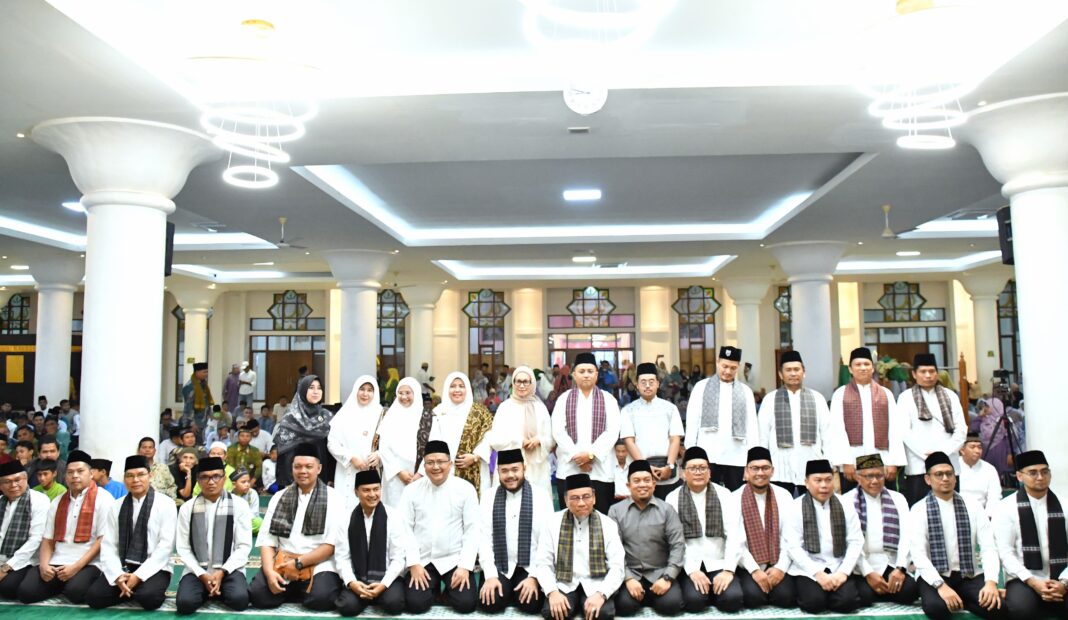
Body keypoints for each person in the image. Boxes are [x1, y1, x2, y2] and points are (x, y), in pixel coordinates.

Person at [250, 442, 345, 611]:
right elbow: (267, 541)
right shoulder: (279, 497)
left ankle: (299, 588)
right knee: (258, 596)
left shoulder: (335, 498)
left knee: (321, 600)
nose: (303, 471)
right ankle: (295, 588)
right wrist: (270, 573)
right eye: (298, 467)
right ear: (292, 468)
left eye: (309, 466)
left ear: (319, 469)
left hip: (319, 564)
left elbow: (331, 546)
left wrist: (298, 564)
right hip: (283, 562)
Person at [910, 451, 1004, 620]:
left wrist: (991, 582)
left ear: (955, 477)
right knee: (937, 608)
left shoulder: (973, 505)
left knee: (997, 608)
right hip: (934, 576)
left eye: (949, 474)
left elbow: (988, 547)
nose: (945, 478)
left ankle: (965, 597)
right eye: (939, 474)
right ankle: (962, 598)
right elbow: (919, 556)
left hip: (968, 575)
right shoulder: (918, 510)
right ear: (928, 479)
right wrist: (941, 586)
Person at [18, 450, 116, 605]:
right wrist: (44, 565)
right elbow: (48, 539)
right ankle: (62, 583)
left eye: (80, 471)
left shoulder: (104, 499)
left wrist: (75, 567)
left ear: (91, 474)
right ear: (65, 476)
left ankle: (69, 583)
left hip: (88, 563)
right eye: (70, 472)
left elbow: (101, 540)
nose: (75, 476)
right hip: (57, 561)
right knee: (26, 592)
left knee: (75, 592)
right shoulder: (57, 501)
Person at [652, 447, 741, 614]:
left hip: (719, 562)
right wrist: (692, 570)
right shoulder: (672, 498)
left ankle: (715, 590)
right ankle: (707, 591)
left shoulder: (724, 494)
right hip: (689, 564)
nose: (698, 472)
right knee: (695, 602)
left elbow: (735, 535)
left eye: (702, 468)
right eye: (693, 468)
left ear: (710, 472)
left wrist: (728, 570)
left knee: (733, 600)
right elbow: (674, 541)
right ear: (683, 473)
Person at [399, 440, 480, 614]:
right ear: (424, 466)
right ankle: (433, 590)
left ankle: (445, 592)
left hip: (454, 560)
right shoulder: (411, 490)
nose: (436, 467)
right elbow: (405, 529)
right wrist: (413, 564)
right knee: (415, 604)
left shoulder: (465, 489)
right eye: (430, 462)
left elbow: (472, 530)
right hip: (423, 560)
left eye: (441, 462)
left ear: (450, 464)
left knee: (466, 603)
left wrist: (465, 566)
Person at [86, 455, 176, 610]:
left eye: (141, 474)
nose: (135, 480)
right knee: (94, 597)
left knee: (149, 598)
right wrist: (117, 575)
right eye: (130, 476)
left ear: (150, 476)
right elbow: (109, 545)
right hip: (124, 566)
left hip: (154, 566)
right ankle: (128, 587)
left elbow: (165, 547)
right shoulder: (116, 506)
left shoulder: (166, 504)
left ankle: (133, 589)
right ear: (124, 479)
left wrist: (139, 576)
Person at [534, 473, 625, 620]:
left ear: (594, 498)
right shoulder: (552, 523)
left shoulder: (608, 524)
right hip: (563, 584)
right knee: (554, 613)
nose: (581, 503)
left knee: (602, 614)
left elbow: (617, 566)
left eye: (586, 497)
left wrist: (601, 594)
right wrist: (552, 592)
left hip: (596, 584)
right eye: (575, 498)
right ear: (566, 500)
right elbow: (543, 563)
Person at [478, 448, 554, 614]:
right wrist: (490, 575)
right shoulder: (488, 497)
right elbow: (483, 540)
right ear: (498, 472)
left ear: (524, 468)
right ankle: (507, 591)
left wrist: (534, 577)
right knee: (490, 603)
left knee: (531, 605)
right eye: (504, 471)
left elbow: (547, 542)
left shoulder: (541, 496)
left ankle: (514, 591)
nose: (510, 475)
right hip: (500, 565)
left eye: (515, 469)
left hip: (530, 566)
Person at [993, 450, 1068, 617]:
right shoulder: (1005, 508)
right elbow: (1006, 553)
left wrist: (1064, 583)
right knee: (1021, 609)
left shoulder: (1065, 505)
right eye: (1033, 473)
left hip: (1061, 576)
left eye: (1044, 472)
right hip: (1023, 578)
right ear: (1020, 476)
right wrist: (1034, 582)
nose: (1040, 477)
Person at [759, 351, 844, 497]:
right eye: (788, 370)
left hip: (812, 467)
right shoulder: (769, 400)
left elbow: (827, 434)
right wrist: (763, 465)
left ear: (804, 372)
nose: (793, 373)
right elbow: (762, 435)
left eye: (796, 369)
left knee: (812, 507)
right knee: (780, 508)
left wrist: (829, 463)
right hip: (779, 468)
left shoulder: (817, 398)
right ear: (780, 374)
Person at [785, 459, 864, 614]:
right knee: (814, 603)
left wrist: (843, 572)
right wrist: (818, 574)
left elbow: (855, 541)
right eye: (818, 480)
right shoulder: (794, 507)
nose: (824, 485)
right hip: (808, 569)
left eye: (828, 480)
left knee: (848, 603)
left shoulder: (845, 504)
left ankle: (833, 592)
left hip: (837, 566)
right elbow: (793, 547)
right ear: (806, 483)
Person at [174, 455, 252, 615]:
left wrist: (222, 571)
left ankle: (214, 589)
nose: (211, 482)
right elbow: (183, 548)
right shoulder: (187, 508)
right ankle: (211, 589)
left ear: (224, 479)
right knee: (185, 604)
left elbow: (243, 546)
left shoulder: (240, 505)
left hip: (229, 569)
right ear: (198, 480)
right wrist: (202, 574)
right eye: (205, 477)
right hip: (197, 570)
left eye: (216, 476)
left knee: (240, 600)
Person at [610, 460, 686, 616]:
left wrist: (667, 577)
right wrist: (628, 579)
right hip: (631, 574)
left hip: (660, 573)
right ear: (628, 485)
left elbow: (678, 545)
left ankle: (652, 596)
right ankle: (646, 597)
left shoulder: (667, 510)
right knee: (625, 606)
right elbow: (613, 550)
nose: (642, 485)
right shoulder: (616, 511)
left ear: (654, 484)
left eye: (646, 480)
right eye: (636, 481)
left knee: (671, 605)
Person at [335, 469, 415, 617]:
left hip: (387, 577)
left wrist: (383, 585)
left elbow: (398, 558)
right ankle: (366, 595)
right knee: (347, 607)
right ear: (356, 492)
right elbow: (342, 558)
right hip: (359, 578)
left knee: (394, 604)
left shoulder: (394, 516)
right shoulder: (346, 519)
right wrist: (352, 583)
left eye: (376, 489)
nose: (372, 494)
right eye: (366, 490)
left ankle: (376, 595)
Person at [841, 453, 918, 607]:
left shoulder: (898, 499)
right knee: (864, 596)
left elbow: (907, 536)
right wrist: (868, 573)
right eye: (869, 476)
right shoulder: (846, 501)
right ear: (858, 477)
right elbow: (849, 543)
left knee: (911, 590)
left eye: (879, 475)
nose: (875, 481)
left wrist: (900, 569)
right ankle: (877, 589)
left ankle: (883, 588)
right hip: (861, 566)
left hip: (889, 563)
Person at [551, 352, 622, 514]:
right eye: (581, 371)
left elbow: (612, 431)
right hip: (570, 469)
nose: (586, 375)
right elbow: (558, 431)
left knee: (601, 517)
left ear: (596, 374)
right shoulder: (563, 399)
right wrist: (578, 457)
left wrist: (590, 455)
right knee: (570, 518)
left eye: (590, 371)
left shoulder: (608, 399)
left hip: (600, 470)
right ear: (574, 375)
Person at [830, 347, 906, 493]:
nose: (863, 368)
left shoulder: (886, 394)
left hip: (882, 460)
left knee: (883, 501)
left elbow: (895, 429)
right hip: (852, 461)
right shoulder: (840, 394)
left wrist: (893, 462)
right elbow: (837, 430)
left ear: (873, 368)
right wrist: (845, 462)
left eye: (866, 364)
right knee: (853, 502)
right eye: (858, 364)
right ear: (850, 369)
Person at [684, 346, 759, 491]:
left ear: (738, 367)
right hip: (708, 456)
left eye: (733, 368)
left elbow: (752, 428)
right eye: (724, 366)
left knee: (736, 498)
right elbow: (692, 423)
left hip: (737, 457)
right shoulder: (701, 387)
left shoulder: (746, 392)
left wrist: (752, 461)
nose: (728, 371)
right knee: (708, 497)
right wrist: (691, 455)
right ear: (717, 362)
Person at [732, 446, 796, 609]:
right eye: (755, 468)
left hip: (777, 561)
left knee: (786, 597)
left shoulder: (784, 496)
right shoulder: (734, 498)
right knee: (754, 598)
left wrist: (780, 568)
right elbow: (736, 542)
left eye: (765, 468)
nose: (760, 473)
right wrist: (755, 571)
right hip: (749, 565)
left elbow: (790, 538)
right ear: (746, 471)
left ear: (772, 471)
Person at [900, 353, 968, 505]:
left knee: (950, 507)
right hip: (918, 465)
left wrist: (942, 453)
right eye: (923, 372)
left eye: (931, 371)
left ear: (937, 373)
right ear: (914, 374)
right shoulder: (905, 397)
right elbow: (904, 432)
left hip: (948, 462)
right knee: (919, 509)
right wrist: (927, 455)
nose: (928, 375)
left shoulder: (950, 396)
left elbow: (961, 429)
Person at [487, 366, 556, 497]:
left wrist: (539, 440)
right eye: (518, 381)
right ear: (513, 383)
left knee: (537, 502)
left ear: (532, 383)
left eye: (526, 381)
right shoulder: (505, 408)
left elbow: (550, 439)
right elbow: (495, 439)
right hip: (510, 467)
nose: (522, 385)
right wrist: (519, 442)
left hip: (537, 468)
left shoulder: (540, 408)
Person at [620, 362, 684, 500]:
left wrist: (670, 466)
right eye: (643, 382)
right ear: (637, 385)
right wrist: (645, 467)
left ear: (658, 384)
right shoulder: (628, 411)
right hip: (640, 472)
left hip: (666, 470)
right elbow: (629, 441)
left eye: (651, 381)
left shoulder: (670, 408)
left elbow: (675, 439)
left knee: (668, 507)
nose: (647, 386)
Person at [428, 371, 494, 498]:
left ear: (467, 389)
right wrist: (444, 462)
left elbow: (488, 437)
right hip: (446, 470)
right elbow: (434, 441)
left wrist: (475, 457)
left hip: (476, 467)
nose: (457, 390)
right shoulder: (439, 412)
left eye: (461, 386)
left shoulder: (480, 412)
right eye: (453, 386)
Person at [328, 375, 385, 509]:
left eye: (370, 390)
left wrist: (379, 455)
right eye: (362, 389)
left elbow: (389, 444)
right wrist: (351, 457)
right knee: (346, 508)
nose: (365, 394)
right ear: (355, 390)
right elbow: (332, 442)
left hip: (371, 470)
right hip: (347, 470)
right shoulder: (344, 414)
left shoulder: (382, 415)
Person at [0, 460, 50, 599]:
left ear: (26, 479)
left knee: (7, 588)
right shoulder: (1, 501)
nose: (13, 485)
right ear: (0, 485)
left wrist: (6, 568)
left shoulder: (39, 500)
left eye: (18, 480)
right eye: (7, 482)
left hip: (26, 559)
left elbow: (35, 540)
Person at [273, 374, 332, 489]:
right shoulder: (290, 418)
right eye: (311, 388)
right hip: (295, 479)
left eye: (319, 388)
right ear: (302, 390)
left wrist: (331, 478)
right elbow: (284, 456)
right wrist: (291, 484)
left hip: (322, 476)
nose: (316, 392)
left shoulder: (327, 416)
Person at [377, 377, 426, 504]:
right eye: (400, 393)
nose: (404, 397)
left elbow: (432, 447)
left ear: (416, 393)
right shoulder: (391, 416)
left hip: (421, 476)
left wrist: (420, 473)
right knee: (394, 510)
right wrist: (399, 472)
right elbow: (384, 448)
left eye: (408, 393)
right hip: (394, 477)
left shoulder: (427, 417)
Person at [959, 432, 1002, 519]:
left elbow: (994, 497)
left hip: (982, 515)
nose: (977, 451)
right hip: (958, 513)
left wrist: (987, 517)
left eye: (979, 447)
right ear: (962, 450)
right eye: (972, 447)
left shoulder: (989, 469)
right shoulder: (953, 467)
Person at [182, 362, 214, 442]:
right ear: (197, 372)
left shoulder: (203, 384)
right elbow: (188, 407)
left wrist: (209, 415)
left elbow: (206, 402)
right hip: (194, 423)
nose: (206, 374)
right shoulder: (190, 386)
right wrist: (192, 423)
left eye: (207, 372)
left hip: (204, 421)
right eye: (204, 372)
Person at [230, 469, 261, 535]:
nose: (247, 484)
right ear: (234, 484)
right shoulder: (229, 495)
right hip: (235, 522)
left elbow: (254, 514)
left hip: (248, 521)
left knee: (259, 523)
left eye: (248, 481)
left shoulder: (252, 493)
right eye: (243, 482)